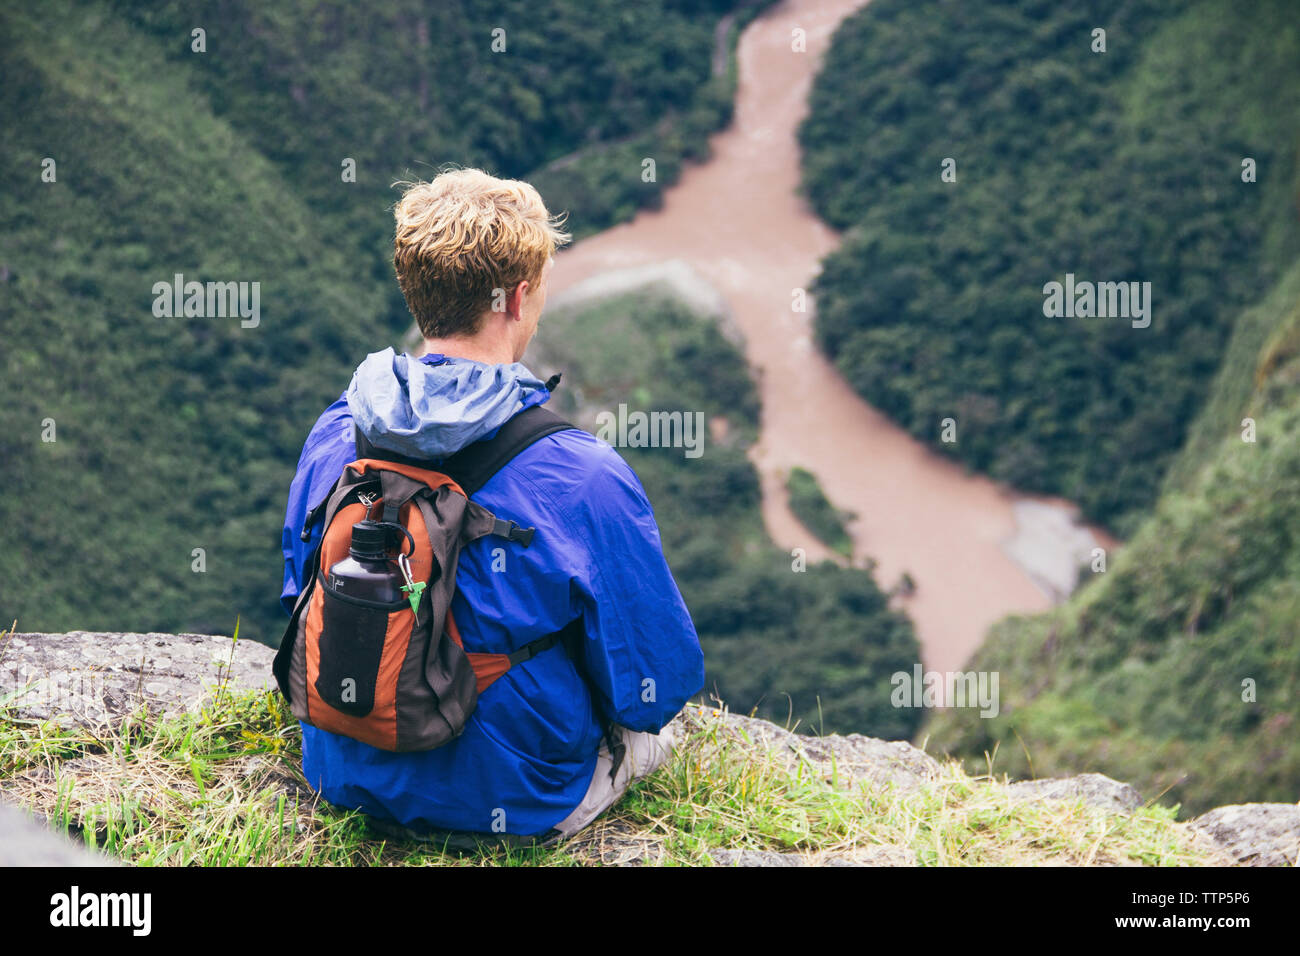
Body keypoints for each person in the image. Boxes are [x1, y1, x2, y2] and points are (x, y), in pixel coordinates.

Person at [279, 168, 705, 846]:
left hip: (341, 770)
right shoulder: (583, 474)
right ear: (518, 296)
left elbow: (297, 592)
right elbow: (654, 683)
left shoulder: (338, 432)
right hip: (514, 801)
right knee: (656, 733)